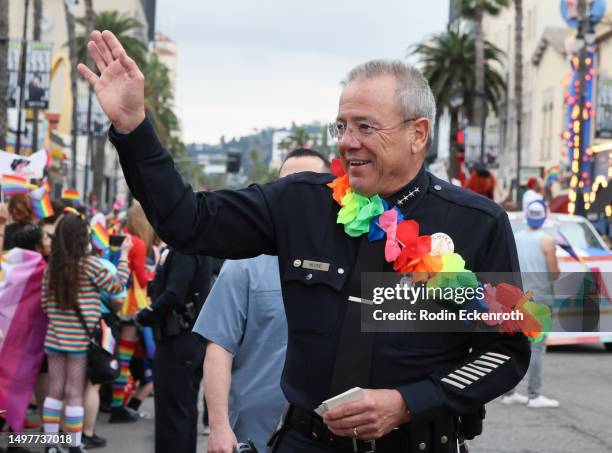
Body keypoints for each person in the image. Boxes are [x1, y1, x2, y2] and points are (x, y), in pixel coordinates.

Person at [80, 31, 531, 452]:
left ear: (418, 133)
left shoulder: (479, 223)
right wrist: (134, 128)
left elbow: (507, 350)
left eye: (365, 127)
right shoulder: (301, 203)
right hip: (305, 441)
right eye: (341, 127)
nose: (348, 143)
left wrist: (408, 401)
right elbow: (187, 222)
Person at [197, 149, 330, 453]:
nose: (298, 196)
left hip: (327, 436)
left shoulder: (350, 258)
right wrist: (218, 426)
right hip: (255, 434)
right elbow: (218, 347)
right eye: (288, 186)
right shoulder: (244, 263)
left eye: (309, 186)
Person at [41, 212, 131, 453]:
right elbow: (116, 286)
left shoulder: (52, 268)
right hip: (79, 341)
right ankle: (74, 444)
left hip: (54, 338)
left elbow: (44, 304)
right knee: (73, 393)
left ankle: (50, 445)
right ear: (83, 238)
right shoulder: (90, 264)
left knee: (54, 391)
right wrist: (123, 257)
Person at [136, 243, 212, 453]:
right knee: (183, 411)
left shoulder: (184, 250)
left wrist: (146, 314)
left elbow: (174, 294)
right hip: (184, 340)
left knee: (174, 414)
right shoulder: (189, 248)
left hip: (178, 340)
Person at [501, 200, 560, 409]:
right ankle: (534, 395)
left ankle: (509, 392)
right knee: (537, 348)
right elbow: (554, 274)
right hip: (540, 299)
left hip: (517, 299)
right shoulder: (547, 241)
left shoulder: (517, 238)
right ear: (544, 216)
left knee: (514, 345)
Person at [109, 203, 154, 423]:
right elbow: (141, 279)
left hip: (115, 302)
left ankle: (116, 403)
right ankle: (117, 407)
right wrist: (155, 275)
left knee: (121, 357)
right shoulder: (137, 243)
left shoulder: (119, 238)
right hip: (132, 306)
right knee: (124, 360)